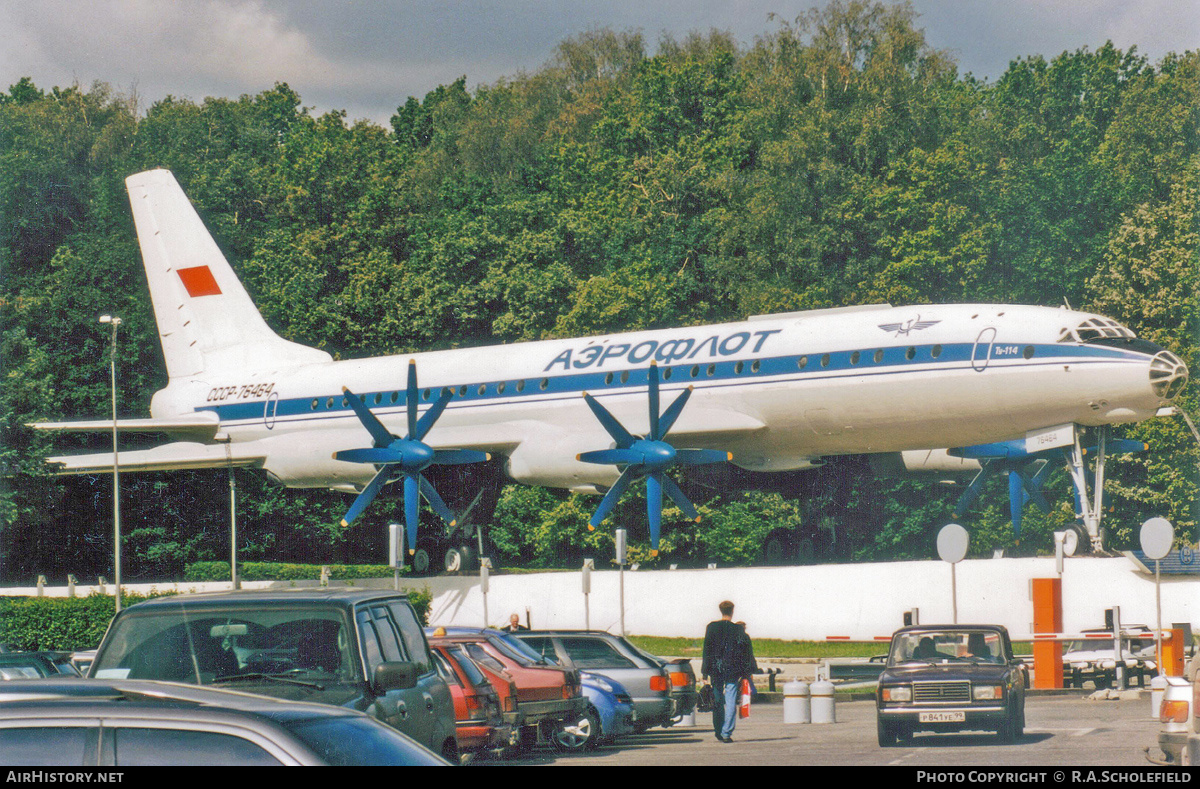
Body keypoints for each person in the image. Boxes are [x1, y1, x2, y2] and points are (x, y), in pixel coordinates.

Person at [701, 600, 753, 743]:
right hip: (732, 669)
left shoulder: (711, 627)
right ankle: (726, 733)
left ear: (720, 610)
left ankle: (718, 729)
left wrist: (705, 672)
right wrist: (746, 672)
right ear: (732, 611)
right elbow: (744, 652)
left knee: (717, 700)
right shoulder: (738, 629)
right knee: (730, 700)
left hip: (716, 668)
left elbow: (707, 650)